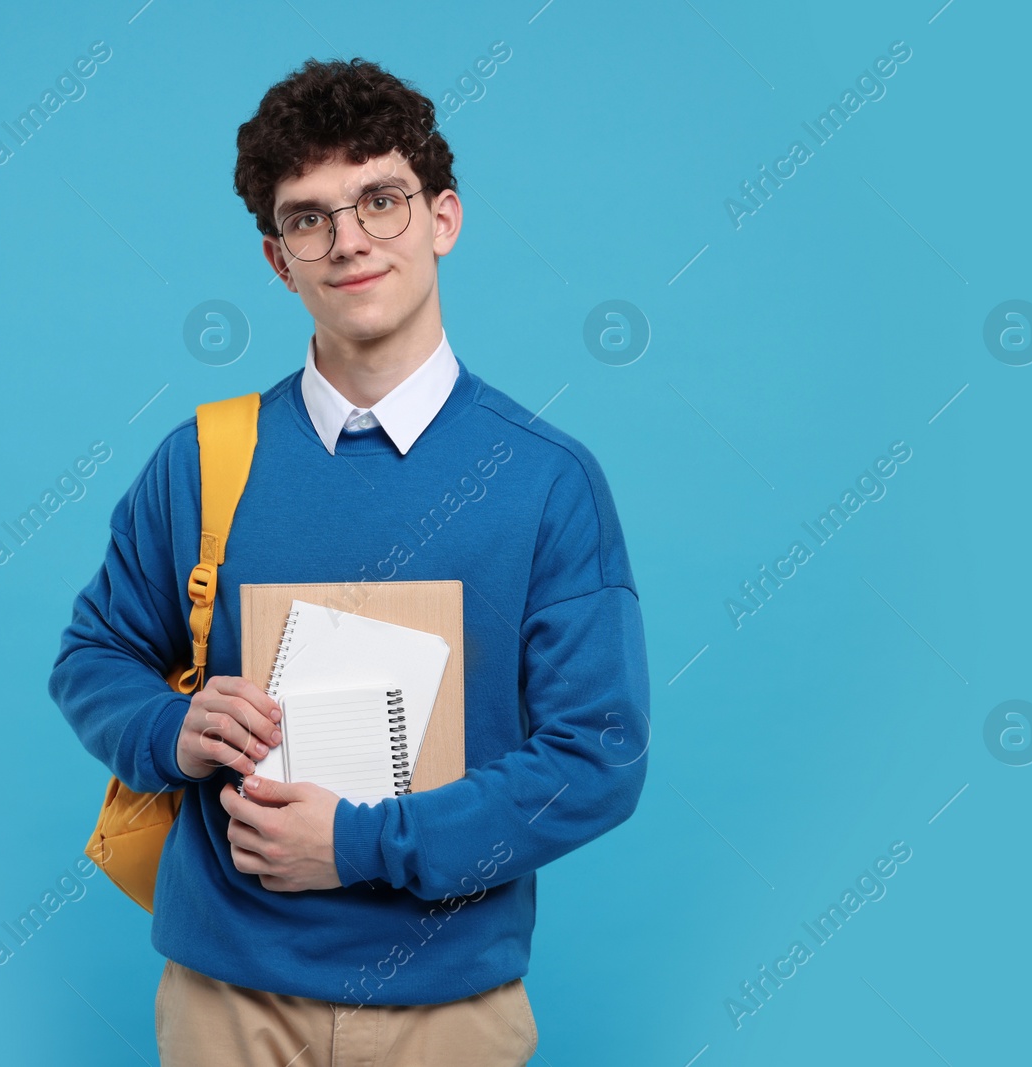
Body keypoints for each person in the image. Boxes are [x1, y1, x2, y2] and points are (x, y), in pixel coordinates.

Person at [48, 55, 649, 1067]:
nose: (350, 239)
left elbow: (598, 757)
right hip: (224, 1000)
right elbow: (92, 654)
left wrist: (363, 842)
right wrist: (170, 723)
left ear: (442, 218)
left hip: (450, 1006)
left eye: (380, 199)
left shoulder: (547, 481)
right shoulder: (205, 460)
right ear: (279, 260)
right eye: (309, 216)